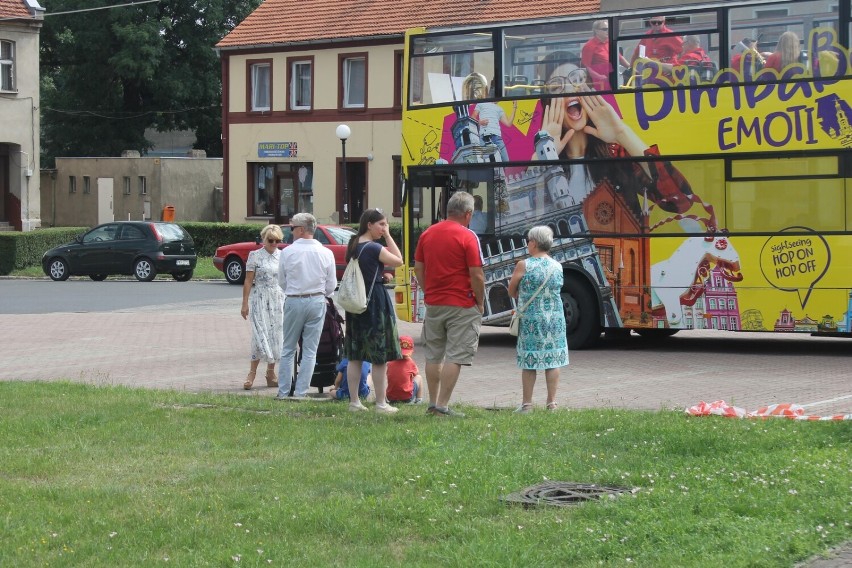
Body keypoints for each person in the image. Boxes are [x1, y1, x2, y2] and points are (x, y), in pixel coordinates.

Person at [539, 52, 714, 231]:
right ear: (548, 104)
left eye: (576, 79)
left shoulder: (617, 154)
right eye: (556, 87)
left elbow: (681, 202)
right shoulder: (540, 168)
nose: (569, 90)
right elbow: (525, 227)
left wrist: (622, 132)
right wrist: (543, 154)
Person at [414, 191, 485, 417]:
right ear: (467, 214)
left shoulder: (427, 234)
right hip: (462, 304)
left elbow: (418, 268)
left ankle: (432, 403)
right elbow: (477, 274)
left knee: (433, 354)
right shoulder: (468, 236)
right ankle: (443, 406)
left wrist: (429, 292)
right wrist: (480, 302)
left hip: (434, 303)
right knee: (455, 355)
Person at [343, 208, 405, 413]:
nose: (384, 229)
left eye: (385, 225)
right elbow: (399, 260)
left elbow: (365, 270)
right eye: (381, 225)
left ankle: (354, 402)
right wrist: (388, 236)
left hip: (356, 303)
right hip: (374, 303)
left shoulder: (353, 244)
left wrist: (381, 274)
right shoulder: (372, 247)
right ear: (369, 224)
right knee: (380, 356)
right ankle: (380, 403)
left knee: (355, 354)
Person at [276, 213, 337, 399]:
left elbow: (282, 281)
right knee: (310, 350)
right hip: (317, 299)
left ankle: (284, 391)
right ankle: (301, 393)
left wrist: (295, 290)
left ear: (301, 230)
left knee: (288, 348)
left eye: (292, 228)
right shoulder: (326, 252)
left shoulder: (288, 252)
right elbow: (331, 284)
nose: (291, 231)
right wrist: (322, 293)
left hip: (294, 299)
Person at [508, 226, 567, 413]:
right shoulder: (558, 266)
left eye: (528, 240)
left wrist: (523, 293)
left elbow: (511, 290)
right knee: (553, 361)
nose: (527, 243)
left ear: (534, 243)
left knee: (529, 360)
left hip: (531, 320)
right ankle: (551, 403)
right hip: (554, 320)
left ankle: (527, 405)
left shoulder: (524, 265)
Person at [240, 224, 285, 390]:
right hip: (260, 297)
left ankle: (270, 373)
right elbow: (248, 280)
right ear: (264, 240)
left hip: (278, 298)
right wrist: (244, 303)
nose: (274, 244)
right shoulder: (255, 256)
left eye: (277, 240)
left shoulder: (283, 256)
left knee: (275, 335)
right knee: (259, 334)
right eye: (271, 240)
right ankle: (251, 373)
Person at [466, 72, 517, 163]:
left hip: (497, 138)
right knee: (485, 161)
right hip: (485, 137)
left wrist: (514, 107)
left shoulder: (499, 108)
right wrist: (480, 122)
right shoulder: (482, 103)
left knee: (506, 161)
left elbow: (508, 124)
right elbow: (472, 118)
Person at [581, 19, 630, 90]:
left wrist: (631, 69)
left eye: (609, 29)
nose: (608, 31)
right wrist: (599, 77)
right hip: (599, 84)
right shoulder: (589, 46)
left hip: (614, 79)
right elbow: (586, 67)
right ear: (596, 31)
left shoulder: (610, 42)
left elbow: (619, 58)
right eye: (605, 29)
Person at [386, 335, 423, 404]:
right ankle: (419, 400)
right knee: (419, 377)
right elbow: (417, 373)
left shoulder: (390, 362)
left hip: (391, 397)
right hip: (407, 398)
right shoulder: (410, 363)